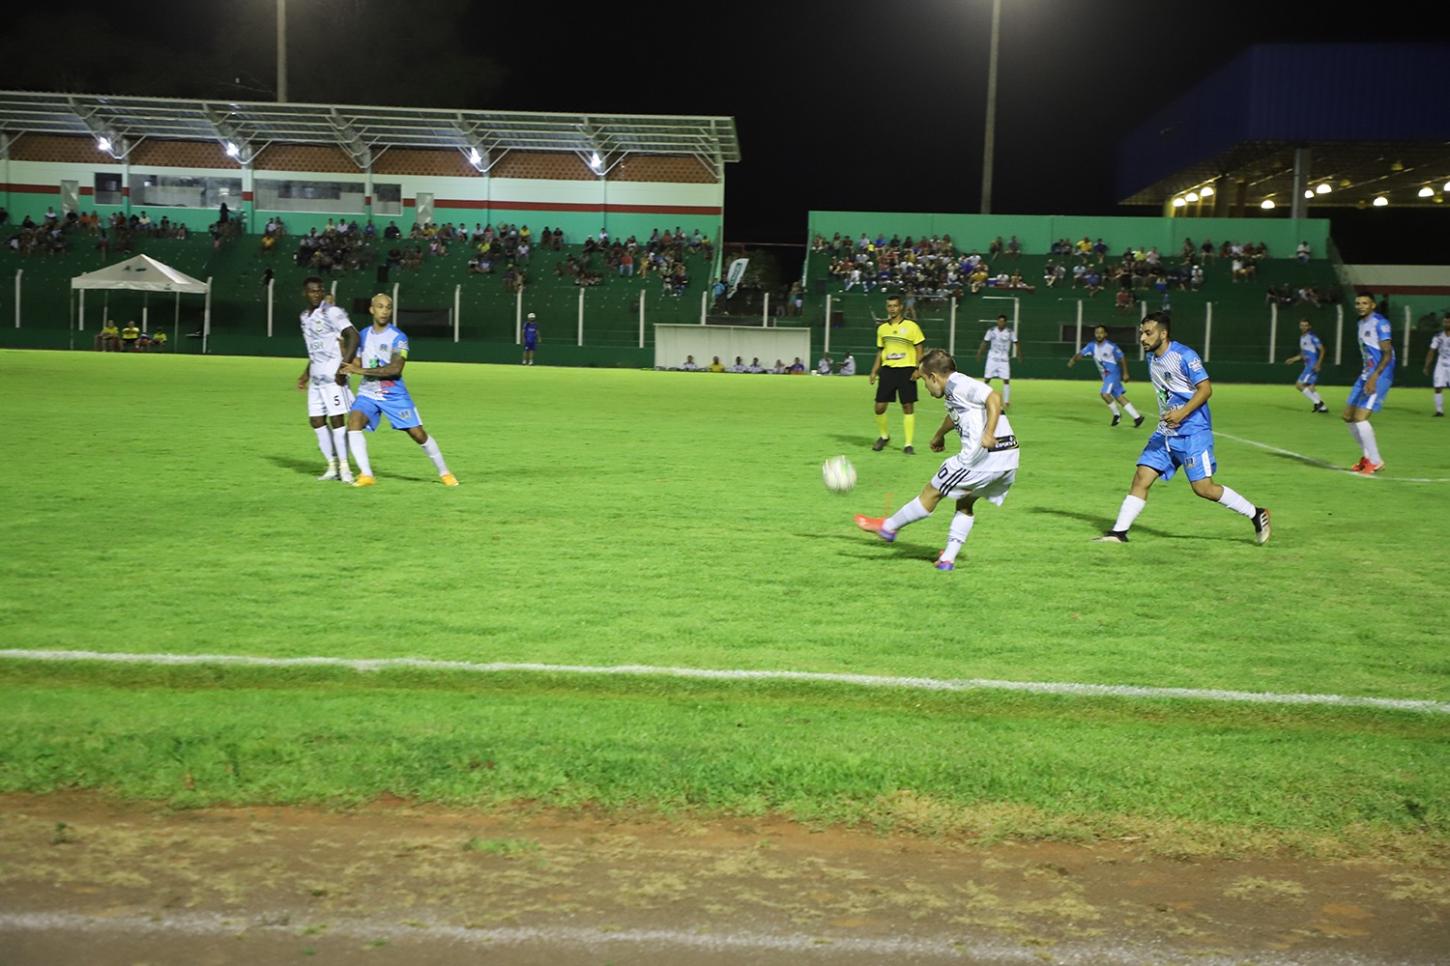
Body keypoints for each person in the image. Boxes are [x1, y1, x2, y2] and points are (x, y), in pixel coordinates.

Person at [1095, 313, 1270, 545]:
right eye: (1141, 333)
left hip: (1193, 432)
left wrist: (1181, 413)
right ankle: (1119, 533)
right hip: (1166, 432)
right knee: (1141, 477)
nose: (1143, 338)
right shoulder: (1152, 358)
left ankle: (1256, 513)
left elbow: (1206, 390)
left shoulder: (1184, 355)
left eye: (1149, 333)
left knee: (1203, 488)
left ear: (1164, 334)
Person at [853, 348, 1018, 571]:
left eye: (924, 381)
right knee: (966, 502)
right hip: (1007, 459)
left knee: (931, 492)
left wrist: (988, 433)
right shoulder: (954, 391)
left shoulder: (959, 384)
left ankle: (889, 527)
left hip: (980, 458)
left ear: (933, 377)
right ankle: (947, 559)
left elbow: (993, 397)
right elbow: (955, 414)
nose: (926, 388)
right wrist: (940, 434)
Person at [339, 292, 458, 488]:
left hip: (393, 394)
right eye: (380, 306)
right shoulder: (363, 335)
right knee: (353, 422)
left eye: (388, 307)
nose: (384, 311)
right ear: (371, 309)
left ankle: (445, 473)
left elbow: (395, 369)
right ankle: (366, 475)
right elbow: (358, 361)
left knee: (418, 434)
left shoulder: (398, 337)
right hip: (368, 392)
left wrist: (358, 370)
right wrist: (344, 349)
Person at [296, 277, 359, 483]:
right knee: (316, 421)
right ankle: (332, 466)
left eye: (319, 291)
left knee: (338, 420)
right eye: (312, 291)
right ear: (305, 293)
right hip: (316, 378)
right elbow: (315, 348)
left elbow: (353, 336)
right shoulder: (305, 317)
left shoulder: (332, 312)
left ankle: (345, 468)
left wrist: (344, 367)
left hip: (334, 377)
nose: (316, 294)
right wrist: (306, 373)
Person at [1344, 293, 1395, 473]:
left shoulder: (1380, 323)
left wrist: (1374, 377)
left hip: (1380, 375)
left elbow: (1387, 354)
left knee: (1360, 417)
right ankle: (1367, 458)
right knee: (1348, 416)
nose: (1360, 306)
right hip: (1366, 374)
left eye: (1365, 303)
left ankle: (1375, 460)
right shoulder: (1361, 323)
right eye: (1358, 303)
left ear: (1373, 305)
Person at [869, 294, 927, 454]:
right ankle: (884, 436)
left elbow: (919, 349)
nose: (892, 309)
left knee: (907, 406)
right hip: (888, 370)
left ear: (901, 307)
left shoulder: (912, 327)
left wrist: (918, 369)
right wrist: (874, 370)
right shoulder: (882, 329)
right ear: (887, 308)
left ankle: (908, 444)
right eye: (889, 306)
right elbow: (880, 351)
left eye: (895, 305)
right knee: (879, 407)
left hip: (907, 369)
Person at [1067, 325, 1143, 427]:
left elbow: (1122, 358)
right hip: (1106, 376)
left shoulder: (1111, 346)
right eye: (1097, 333)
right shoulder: (1091, 346)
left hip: (1113, 373)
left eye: (1101, 332)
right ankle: (1137, 417)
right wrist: (1073, 360)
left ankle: (1117, 414)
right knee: (1119, 397)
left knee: (1104, 394)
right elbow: (1080, 354)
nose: (1099, 335)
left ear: (1105, 334)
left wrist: (1125, 373)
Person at [1283, 319, 1328, 413]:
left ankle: (1317, 403)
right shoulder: (1302, 338)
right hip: (1308, 364)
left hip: (1312, 365)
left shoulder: (1312, 337)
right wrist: (1293, 359)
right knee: (1310, 386)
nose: (1303, 327)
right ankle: (1323, 408)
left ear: (1309, 327)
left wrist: (1318, 363)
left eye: (1305, 325)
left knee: (1299, 385)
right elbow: (1303, 354)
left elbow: (1322, 350)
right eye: (1301, 325)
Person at [975, 315, 1020, 409]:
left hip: (1004, 360)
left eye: (1003, 321)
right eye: (999, 321)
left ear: (1005, 322)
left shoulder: (1010, 332)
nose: (1001, 323)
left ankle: (1006, 401)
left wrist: (1019, 354)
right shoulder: (991, 331)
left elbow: (1016, 342)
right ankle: (983, 398)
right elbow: (985, 342)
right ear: (997, 322)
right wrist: (979, 352)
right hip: (992, 358)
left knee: (1006, 380)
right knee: (987, 379)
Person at [1424, 314, 1450, 416]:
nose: (1446, 324)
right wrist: (1427, 365)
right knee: (1438, 386)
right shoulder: (1438, 336)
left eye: (1448, 322)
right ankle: (1439, 411)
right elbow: (1431, 351)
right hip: (1441, 363)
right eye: (1445, 322)